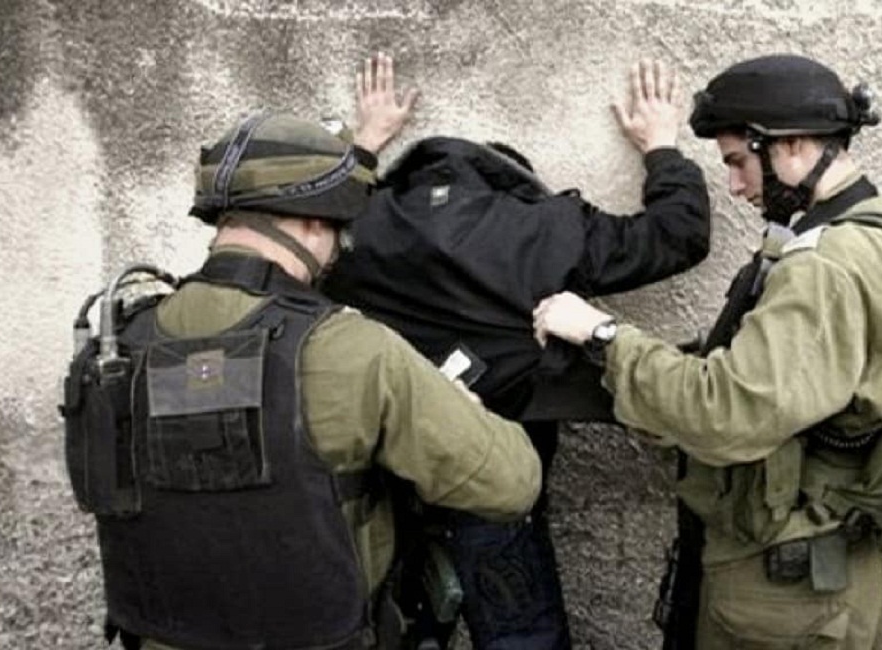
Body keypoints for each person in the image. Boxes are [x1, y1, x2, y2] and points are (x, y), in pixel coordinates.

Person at [70, 54, 542, 650]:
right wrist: (457, 407)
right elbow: (511, 484)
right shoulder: (350, 350)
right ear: (316, 224)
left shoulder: (124, 342)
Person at [324, 59, 711, 650]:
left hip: (383, 478)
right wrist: (661, 147)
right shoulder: (545, 227)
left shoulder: (359, 227)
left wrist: (362, 148)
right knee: (520, 634)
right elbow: (677, 235)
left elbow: (300, 227)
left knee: (387, 626)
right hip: (492, 473)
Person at [532, 54, 882, 649]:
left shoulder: (825, 267)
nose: (735, 186)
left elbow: (726, 412)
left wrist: (601, 333)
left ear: (792, 144)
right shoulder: (867, 231)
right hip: (807, 573)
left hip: (783, 595)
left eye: (737, 162)